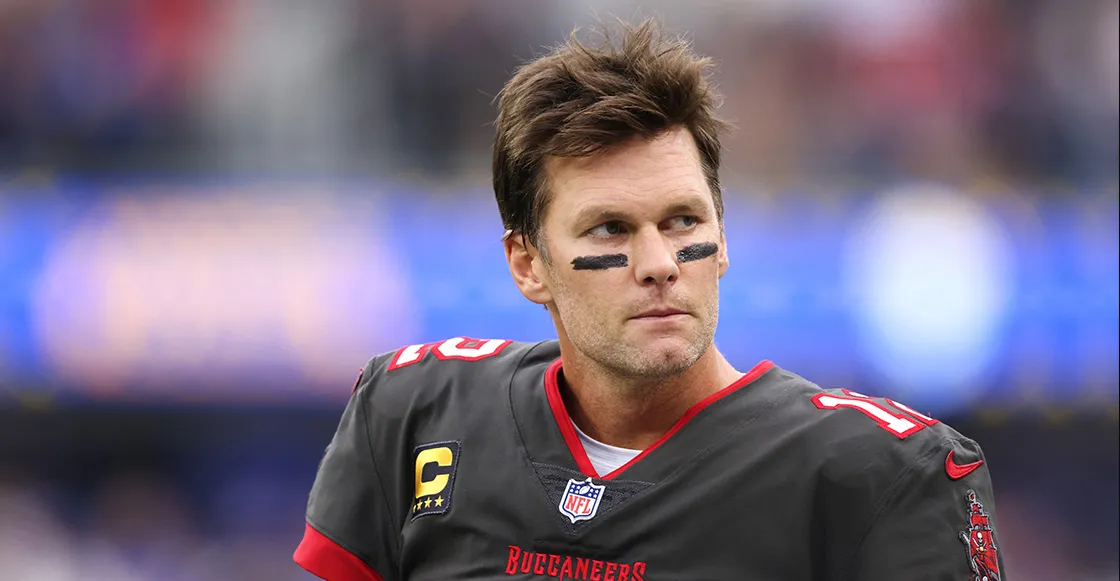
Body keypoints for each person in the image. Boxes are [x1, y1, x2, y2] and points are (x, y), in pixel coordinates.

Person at [293, 18, 1005, 581]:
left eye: (683, 221)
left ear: (722, 240)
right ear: (528, 265)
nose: (660, 264)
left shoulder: (883, 474)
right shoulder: (415, 411)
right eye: (611, 229)